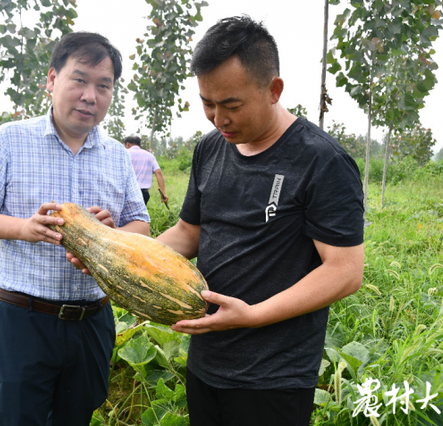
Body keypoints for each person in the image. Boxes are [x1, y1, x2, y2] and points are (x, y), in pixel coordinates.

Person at [155, 16, 366, 425]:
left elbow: (345, 271)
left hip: (274, 378)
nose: (218, 118)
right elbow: (188, 233)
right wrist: (115, 252)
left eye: (231, 105)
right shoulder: (210, 150)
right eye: (207, 103)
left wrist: (252, 314)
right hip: (206, 363)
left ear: (274, 90)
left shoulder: (321, 161)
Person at [0, 32, 150, 426]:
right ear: (52, 80)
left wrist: (114, 235)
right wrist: (23, 227)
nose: (90, 96)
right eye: (79, 79)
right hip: (24, 319)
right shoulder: (10, 139)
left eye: (103, 86)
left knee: (76, 417)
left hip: (93, 321)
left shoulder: (116, 156)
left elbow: (140, 224)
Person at [124, 135, 169, 205]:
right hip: (143, 194)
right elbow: (158, 172)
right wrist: (163, 193)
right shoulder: (150, 155)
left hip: (126, 193)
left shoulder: (124, 153)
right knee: (140, 215)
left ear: (128, 144)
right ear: (139, 145)